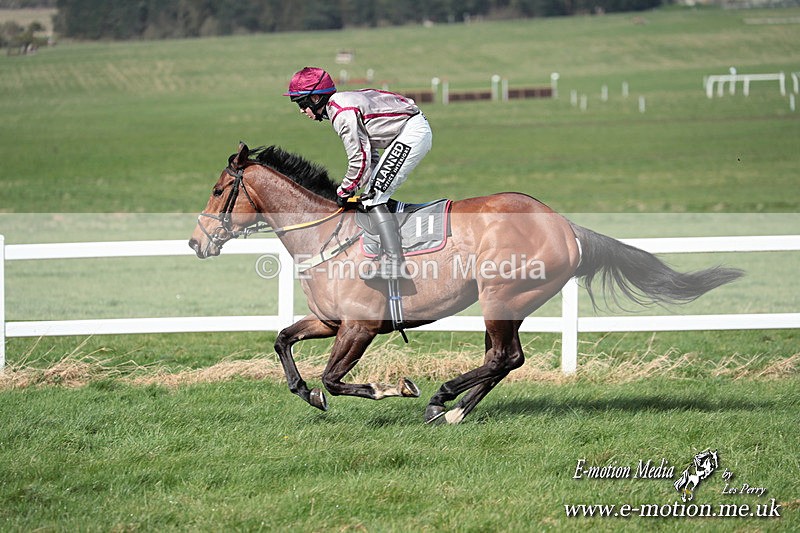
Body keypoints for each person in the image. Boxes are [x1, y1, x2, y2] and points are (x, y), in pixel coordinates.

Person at [284, 66, 432, 280]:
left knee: (373, 197)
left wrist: (343, 190)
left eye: (301, 103)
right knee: (372, 192)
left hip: (412, 133)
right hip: (408, 130)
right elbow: (368, 155)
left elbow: (358, 159)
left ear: (315, 98)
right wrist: (355, 186)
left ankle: (394, 263)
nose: (301, 110)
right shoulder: (340, 104)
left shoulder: (342, 114)